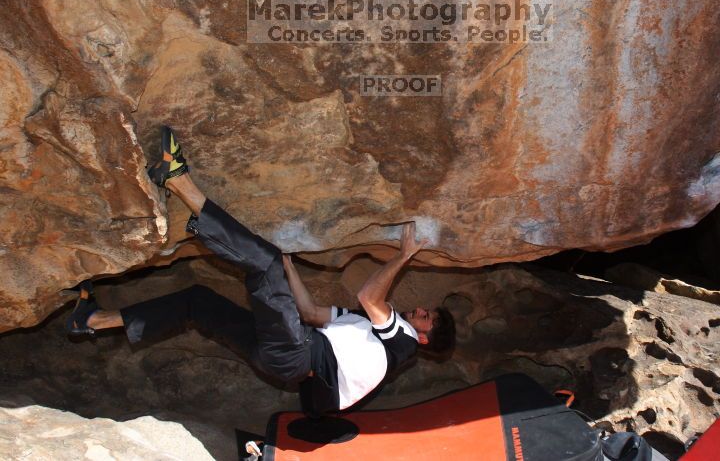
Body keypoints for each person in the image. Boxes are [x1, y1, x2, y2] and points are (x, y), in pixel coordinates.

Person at [65, 126, 456, 417]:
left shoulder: (401, 343)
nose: (422, 311)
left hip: (297, 356)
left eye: (429, 319)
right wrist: (287, 266)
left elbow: (371, 296)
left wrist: (403, 256)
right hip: (286, 357)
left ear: (423, 339)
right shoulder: (366, 330)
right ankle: (93, 320)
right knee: (198, 302)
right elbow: (310, 312)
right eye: (428, 310)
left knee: (262, 263)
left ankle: (177, 178)